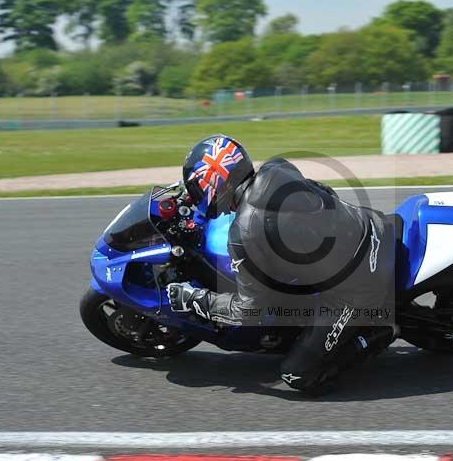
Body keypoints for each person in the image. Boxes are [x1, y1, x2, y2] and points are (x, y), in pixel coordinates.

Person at [166, 135, 398, 394]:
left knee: (298, 374)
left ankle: (380, 332)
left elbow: (250, 311)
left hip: (360, 286)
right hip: (371, 225)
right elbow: (324, 192)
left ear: (215, 183)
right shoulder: (276, 167)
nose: (197, 195)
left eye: (198, 188)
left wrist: (198, 300)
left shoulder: (243, 234)